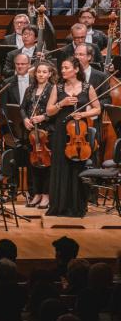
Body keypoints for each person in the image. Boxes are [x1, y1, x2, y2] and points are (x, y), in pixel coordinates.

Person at [46, 58, 101, 217]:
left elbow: (97, 109)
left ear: (76, 69)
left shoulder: (87, 87)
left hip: (79, 133)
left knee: (77, 168)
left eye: (66, 67)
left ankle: (77, 207)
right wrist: (61, 104)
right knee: (60, 167)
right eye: (62, 68)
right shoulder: (58, 87)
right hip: (62, 132)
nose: (62, 70)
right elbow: (49, 111)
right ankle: (60, 206)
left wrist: (83, 114)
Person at [22, 60, 56, 209]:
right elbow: (23, 107)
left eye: (44, 72)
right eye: (38, 72)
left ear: (49, 74)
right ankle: (36, 193)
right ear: (35, 73)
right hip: (32, 133)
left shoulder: (53, 89)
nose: (41, 74)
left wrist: (44, 117)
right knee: (34, 163)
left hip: (47, 131)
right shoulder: (30, 89)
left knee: (47, 164)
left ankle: (46, 195)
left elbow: (56, 110)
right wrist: (25, 120)